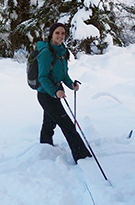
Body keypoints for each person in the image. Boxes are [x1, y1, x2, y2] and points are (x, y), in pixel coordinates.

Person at [36, 22, 92, 163]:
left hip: (55, 93)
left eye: (62, 33)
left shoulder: (62, 50)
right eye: (57, 33)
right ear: (51, 34)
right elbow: (42, 77)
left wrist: (71, 85)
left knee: (49, 123)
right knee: (67, 124)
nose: (60, 36)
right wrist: (55, 92)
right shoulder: (46, 53)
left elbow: (64, 74)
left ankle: (45, 148)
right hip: (46, 95)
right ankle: (82, 157)